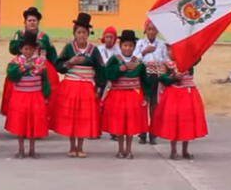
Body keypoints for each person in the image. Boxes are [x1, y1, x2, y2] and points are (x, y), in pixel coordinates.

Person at [51, 12, 105, 158]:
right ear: (74, 33)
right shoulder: (69, 48)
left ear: (88, 34)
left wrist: (98, 89)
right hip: (71, 85)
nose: (81, 35)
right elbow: (58, 66)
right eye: (79, 32)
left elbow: (100, 70)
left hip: (87, 87)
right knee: (71, 117)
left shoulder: (94, 51)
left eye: (84, 32)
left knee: (82, 117)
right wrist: (71, 62)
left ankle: (80, 147)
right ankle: (72, 147)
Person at [150, 45, 207, 160]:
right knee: (174, 123)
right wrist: (174, 77)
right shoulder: (166, 64)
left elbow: (198, 56)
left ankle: (185, 150)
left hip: (188, 94)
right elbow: (162, 79)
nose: (170, 52)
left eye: (173, 49)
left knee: (187, 123)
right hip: (174, 95)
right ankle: (173, 150)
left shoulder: (188, 62)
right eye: (169, 50)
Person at [102, 30, 150, 159]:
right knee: (120, 125)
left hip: (133, 97)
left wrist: (146, 96)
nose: (127, 48)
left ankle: (129, 150)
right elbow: (107, 74)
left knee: (130, 125)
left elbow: (145, 81)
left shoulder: (139, 63)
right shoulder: (115, 60)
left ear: (134, 47)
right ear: (120, 45)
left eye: (130, 46)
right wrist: (119, 69)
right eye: (125, 45)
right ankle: (120, 149)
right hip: (117, 96)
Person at [4, 6, 58, 116]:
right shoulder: (19, 34)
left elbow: (51, 53)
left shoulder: (44, 37)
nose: (32, 23)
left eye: (34, 20)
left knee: (46, 89)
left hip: (40, 65)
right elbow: (12, 50)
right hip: (22, 64)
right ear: (25, 22)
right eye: (29, 20)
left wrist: (56, 67)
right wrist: (23, 43)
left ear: (38, 22)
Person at [4, 31, 51, 159]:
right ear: (21, 49)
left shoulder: (40, 62)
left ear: (35, 49)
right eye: (26, 48)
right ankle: (20, 149)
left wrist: (46, 95)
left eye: (31, 49)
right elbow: (12, 76)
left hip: (36, 96)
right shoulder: (16, 62)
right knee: (20, 123)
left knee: (34, 123)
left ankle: (32, 149)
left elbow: (45, 80)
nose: (28, 51)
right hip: (20, 96)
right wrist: (24, 67)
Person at [134, 19, 168, 145]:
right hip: (144, 76)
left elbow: (166, 60)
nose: (151, 32)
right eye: (149, 29)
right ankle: (142, 133)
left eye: (153, 29)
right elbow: (134, 60)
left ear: (157, 31)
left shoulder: (162, 45)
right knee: (143, 103)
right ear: (145, 31)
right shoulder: (140, 43)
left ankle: (153, 133)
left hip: (156, 76)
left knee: (154, 105)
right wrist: (144, 52)